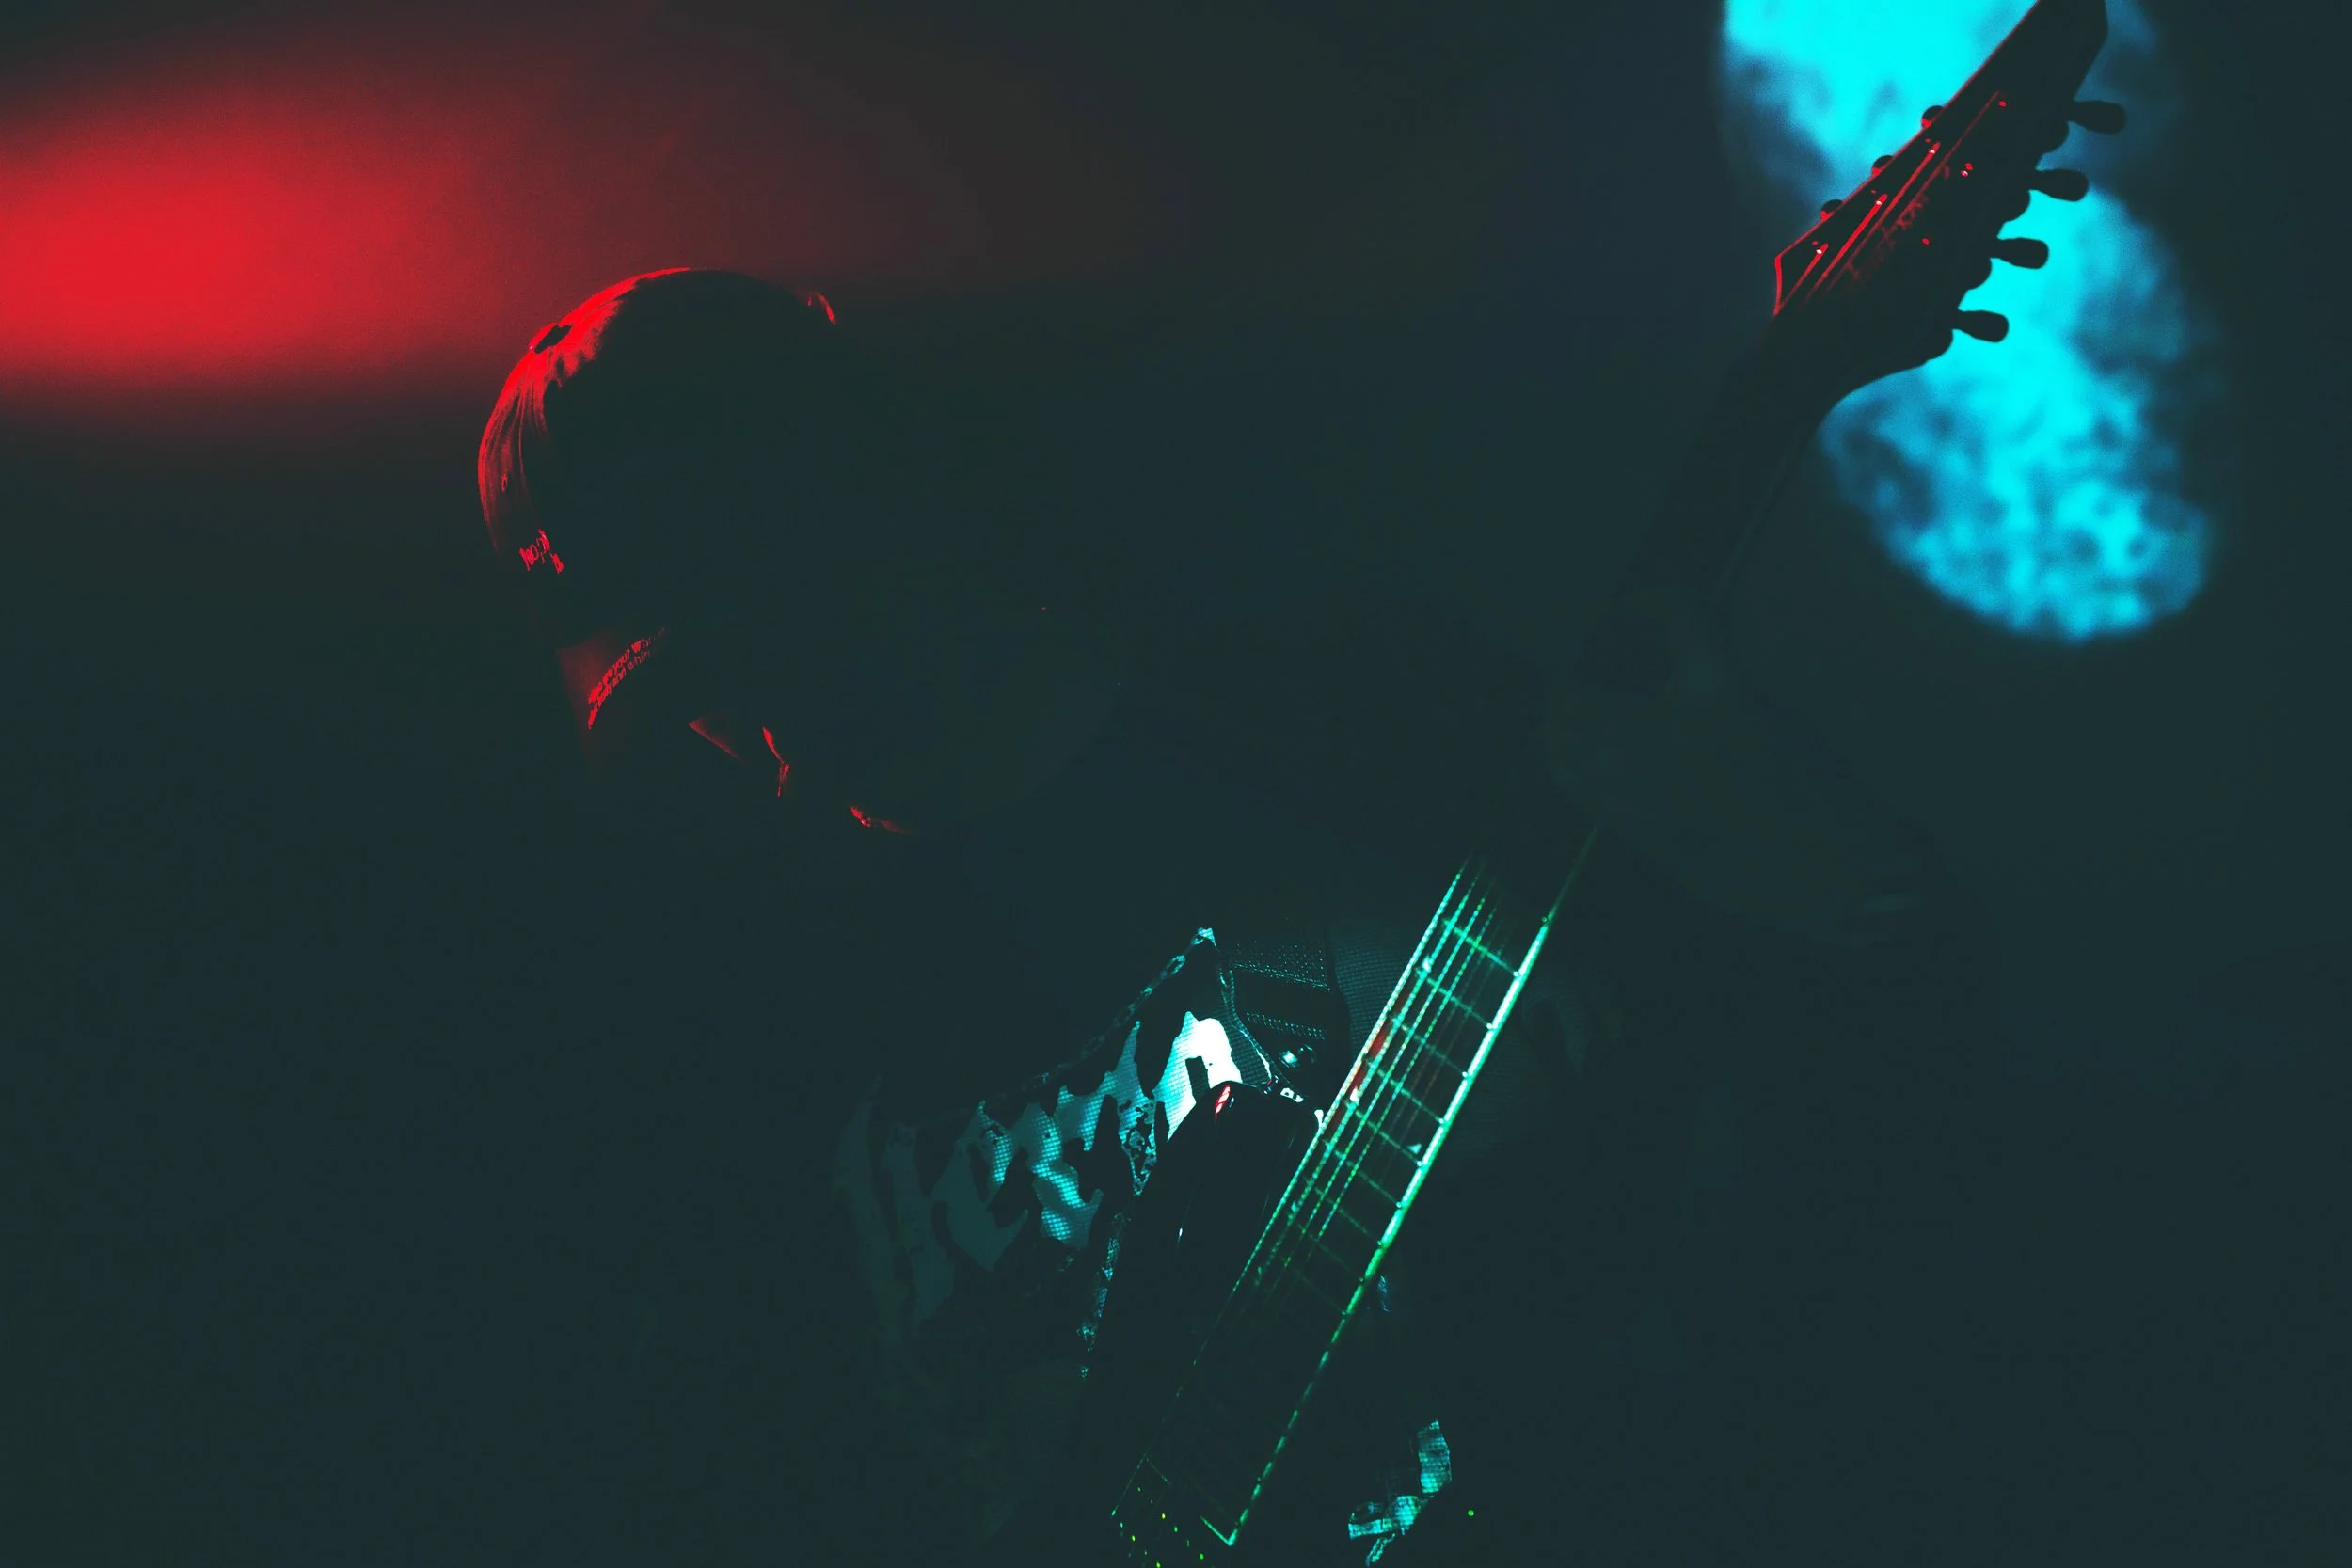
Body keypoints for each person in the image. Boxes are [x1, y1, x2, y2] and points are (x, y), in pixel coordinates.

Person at [474, 266, 2002, 1565]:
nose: (753, 720)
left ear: (887, 494)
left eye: (767, 619)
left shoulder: (1359, 720)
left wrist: (1818, 856)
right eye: (694, 686)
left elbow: (1891, 1099)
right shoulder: (785, 1045)